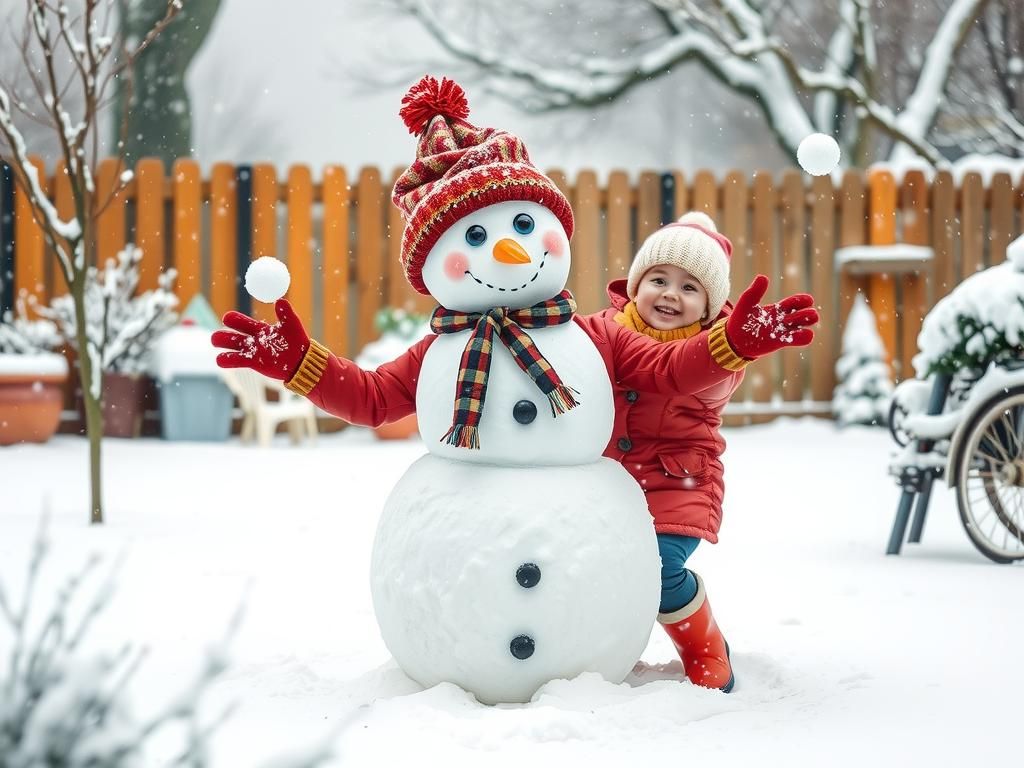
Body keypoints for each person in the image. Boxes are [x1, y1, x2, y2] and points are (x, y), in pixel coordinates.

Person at [597, 211, 817, 693]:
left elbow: (688, 373)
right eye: (659, 279)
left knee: (657, 567)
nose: (671, 294)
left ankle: (704, 648)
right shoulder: (603, 330)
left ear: (708, 306)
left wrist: (733, 346)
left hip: (676, 485)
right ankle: (594, 648)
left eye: (690, 287)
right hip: (605, 483)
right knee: (587, 564)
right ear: (636, 285)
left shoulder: (718, 355)